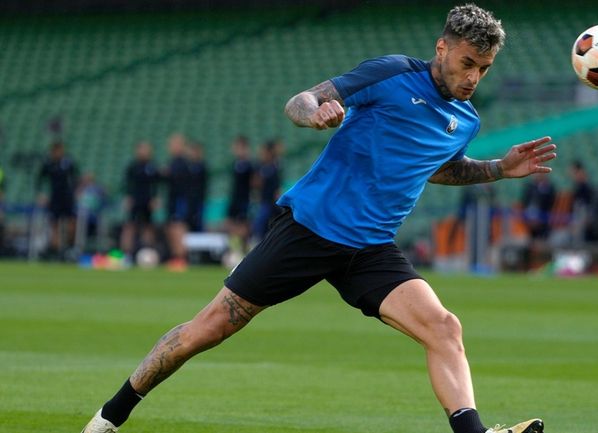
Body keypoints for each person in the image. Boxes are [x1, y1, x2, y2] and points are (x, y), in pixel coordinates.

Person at [81, 5, 555, 433]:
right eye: (467, 63)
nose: (473, 77)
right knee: (209, 328)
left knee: (444, 328)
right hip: (309, 229)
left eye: (484, 69)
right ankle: (109, 417)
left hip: (370, 248)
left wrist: (497, 169)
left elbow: (439, 168)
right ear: (442, 47)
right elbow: (299, 102)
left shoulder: (467, 119)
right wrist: (316, 115)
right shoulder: (391, 74)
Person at [36, 140, 79, 258]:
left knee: (71, 224)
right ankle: (57, 251)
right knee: (54, 225)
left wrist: (76, 192)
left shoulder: (69, 162)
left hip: (67, 197)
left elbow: (75, 178)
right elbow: (39, 180)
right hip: (54, 197)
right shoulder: (48, 164)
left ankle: (70, 248)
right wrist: (40, 194)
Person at [120, 141, 160, 258]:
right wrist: (128, 197)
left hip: (148, 201)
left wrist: (155, 198)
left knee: (148, 227)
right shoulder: (132, 166)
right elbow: (127, 184)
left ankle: (148, 252)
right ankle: (126, 254)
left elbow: (156, 185)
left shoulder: (153, 166)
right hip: (135, 200)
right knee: (130, 226)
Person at [163, 134, 191, 271]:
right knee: (171, 228)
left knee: (178, 227)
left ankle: (181, 258)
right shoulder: (173, 162)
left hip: (180, 200)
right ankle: (176, 257)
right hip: (172, 200)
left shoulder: (182, 163)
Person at [225, 135, 254, 253]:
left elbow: (255, 182)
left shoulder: (249, 165)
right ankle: (234, 249)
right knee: (230, 224)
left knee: (243, 226)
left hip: (244, 199)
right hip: (234, 198)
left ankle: (244, 250)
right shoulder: (234, 164)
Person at [252, 138, 283, 241]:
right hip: (264, 200)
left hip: (272, 201)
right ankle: (259, 240)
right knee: (261, 222)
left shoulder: (275, 167)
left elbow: (277, 185)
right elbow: (255, 183)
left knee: (267, 221)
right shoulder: (259, 167)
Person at [185, 142, 208, 233]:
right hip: (189, 201)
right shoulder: (187, 167)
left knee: (199, 223)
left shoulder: (202, 166)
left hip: (199, 200)